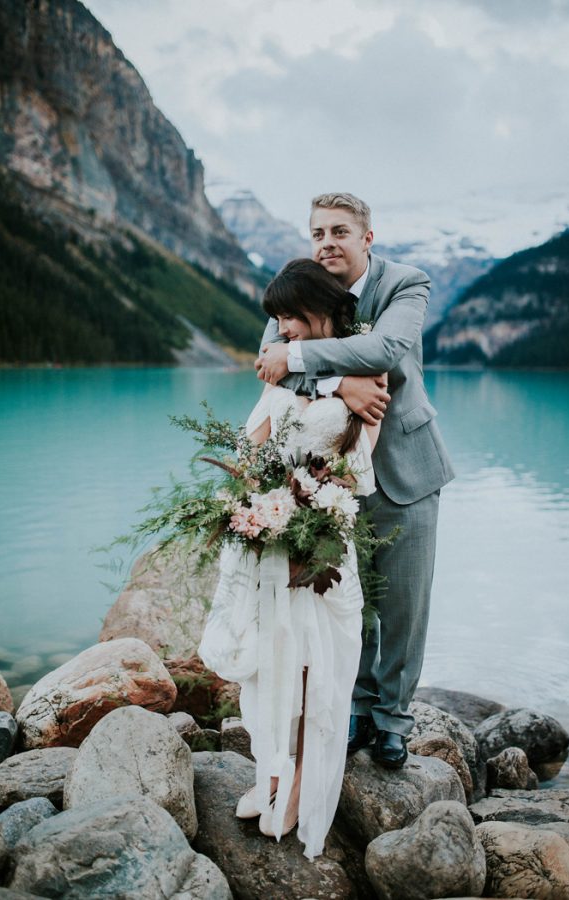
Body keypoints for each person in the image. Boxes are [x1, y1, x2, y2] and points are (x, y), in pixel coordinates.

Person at [256, 193, 455, 769]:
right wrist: (337, 387)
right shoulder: (301, 289)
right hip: (332, 479)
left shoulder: (405, 283)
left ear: (367, 238)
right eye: (317, 233)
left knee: (403, 606)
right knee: (350, 601)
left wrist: (302, 362)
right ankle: (356, 711)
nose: (326, 243)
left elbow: (387, 349)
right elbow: (269, 361)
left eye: (339, 232)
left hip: (406, 470)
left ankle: (393, 719)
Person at [198, 259, 379, 860]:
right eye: (275, 319)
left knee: (315, 669)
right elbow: (254, 449)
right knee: (271, 659)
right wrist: (242, 505)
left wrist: (314, 508)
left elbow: (355, 473)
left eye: (289, 317)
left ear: (320, 311)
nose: (281, 330)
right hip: (272, 542)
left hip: (321, 543)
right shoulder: (282, 369)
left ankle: (303, 783)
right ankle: (271, 772)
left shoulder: (364, 366)